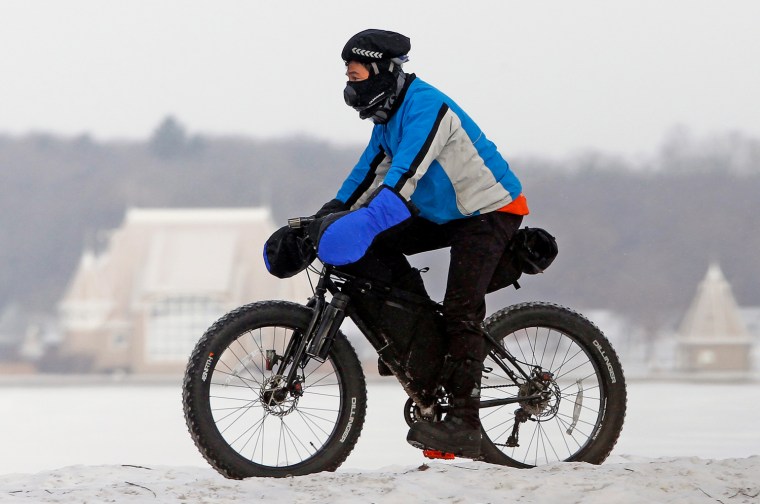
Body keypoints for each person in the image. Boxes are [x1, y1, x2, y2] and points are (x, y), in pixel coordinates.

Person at [313, 29, 529, 459]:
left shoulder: (426, 106)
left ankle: (464, 422)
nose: (350, 87)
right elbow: (363, 178)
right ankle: (415, 340)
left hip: (488, 212)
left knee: (460, 309)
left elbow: (402, 179)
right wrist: (319, 222)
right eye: (347, 77)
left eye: (355, 77)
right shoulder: (387, 120)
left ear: (379, 71)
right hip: (441, 215)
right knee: (370, 247)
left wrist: (365, 221)